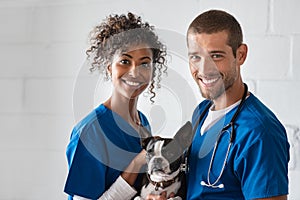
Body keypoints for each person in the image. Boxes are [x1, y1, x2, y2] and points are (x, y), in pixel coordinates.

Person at [146, 9, 289, 200]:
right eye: (196, 57)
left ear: (240, 55)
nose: (204, 69)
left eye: (216, 56)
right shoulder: (202, 111)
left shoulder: (260, 133)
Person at [64, 12, 167, 200]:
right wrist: (137, 163)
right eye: (125, 61)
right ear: (110, 67)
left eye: (144, 63)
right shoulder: (90, 132)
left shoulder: (142, 123)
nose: (135, 72)